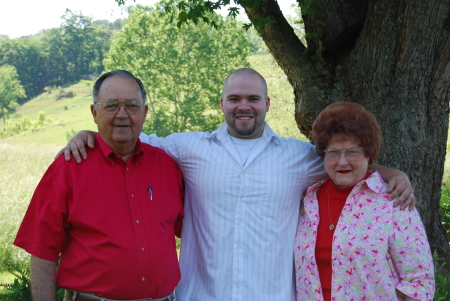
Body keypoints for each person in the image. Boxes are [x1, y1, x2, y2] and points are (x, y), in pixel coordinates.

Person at [59, 68, 415, 300]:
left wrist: (392, 173)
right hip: (200, 295)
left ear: (266, 104)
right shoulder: (188, 148)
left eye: (252, 99)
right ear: (222, 104)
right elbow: (130, 136)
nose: (243, 106)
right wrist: (89, 133)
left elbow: (345, 161)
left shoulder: (299, 157)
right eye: (235, 99)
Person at [14, 70, 184, 301]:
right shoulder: (68, 168)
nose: (122, 115)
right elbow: (42, 252)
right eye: (112, 105)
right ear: (95, 112)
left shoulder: (167, 166)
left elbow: (189, 230)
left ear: (144, 112)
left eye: (132, 106)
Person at [294, 102, 434, 301]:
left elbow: (419, 282)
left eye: (353, 152)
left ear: (368, 154)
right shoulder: (307, 200)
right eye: (334, 152)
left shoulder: (393, 200)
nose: (342, 161)